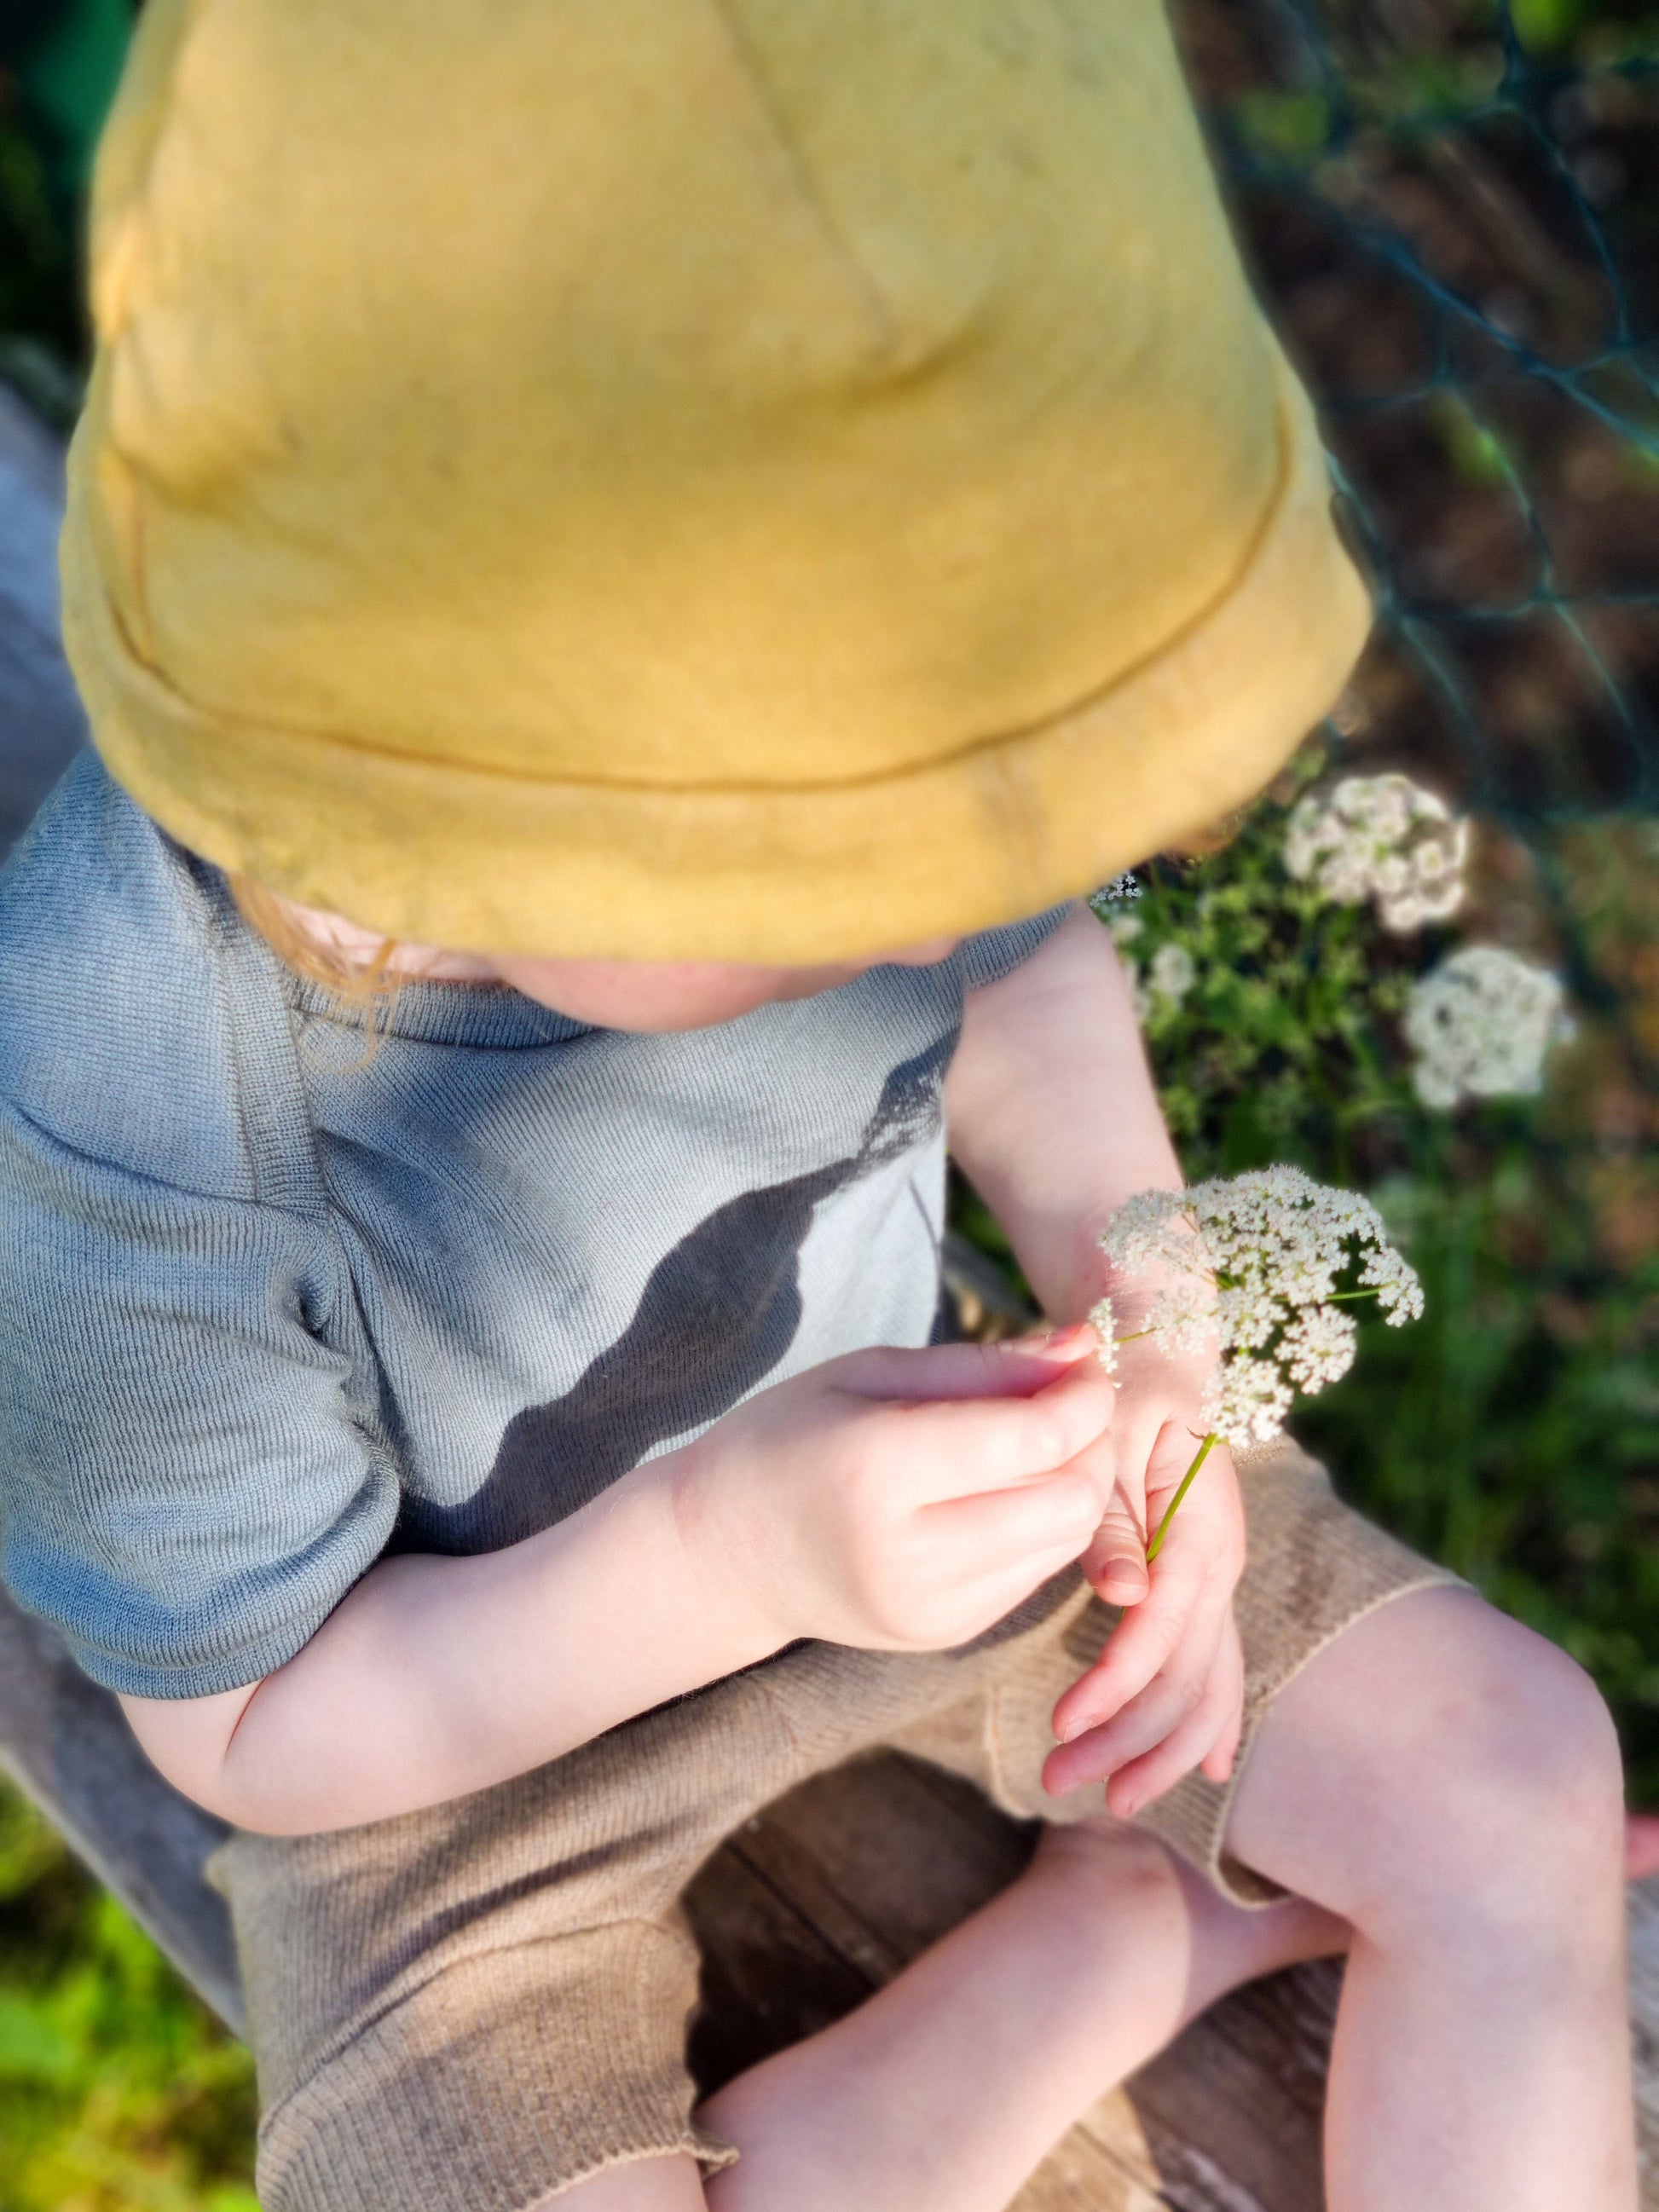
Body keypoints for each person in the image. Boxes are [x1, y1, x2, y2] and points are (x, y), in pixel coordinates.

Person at [0, 3, 1635, 2207]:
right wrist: (723, 1548)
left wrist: (1147, 1305)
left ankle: (1126, 1919)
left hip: (970, 1479)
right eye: (865, 881)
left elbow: (1024, 972)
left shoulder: (838, 729)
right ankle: (1109, 1947)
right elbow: (258, 1734)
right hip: (454, 1782)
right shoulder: (118, 1105)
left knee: (1505, 1768)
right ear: (416, 805)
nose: (957, 894)